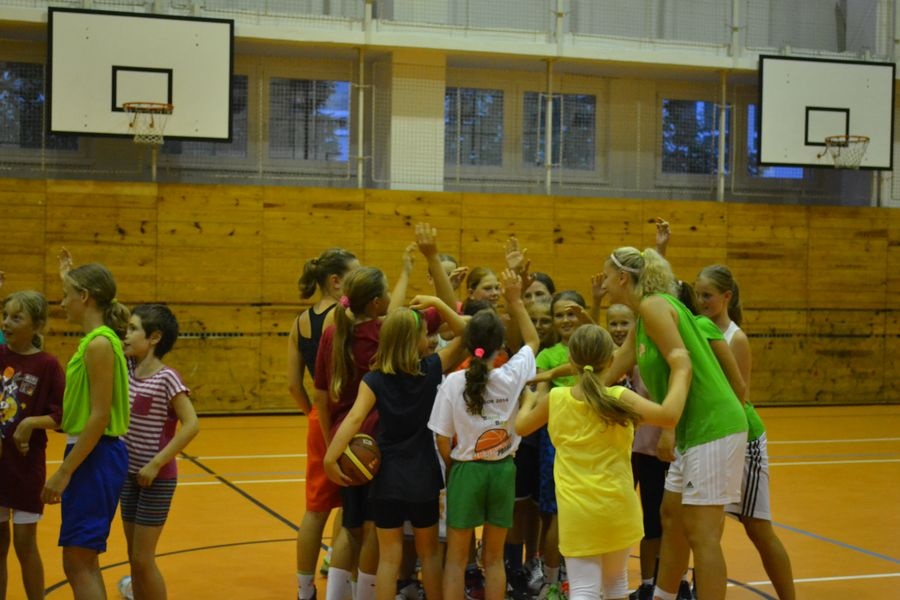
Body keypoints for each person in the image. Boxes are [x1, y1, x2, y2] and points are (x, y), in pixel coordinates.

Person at [599, 247, 747, 600]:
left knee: (701, 532)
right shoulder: (644, 316)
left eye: (606, 276)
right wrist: (580, 395)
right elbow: (616, 364)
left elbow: (681, 362)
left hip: (712, 425)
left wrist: (668, 421)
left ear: (623, 278)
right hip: (691, 432)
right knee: (672, 517)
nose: (603, 284)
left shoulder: (654, 306)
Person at [515, 324, 689, 600]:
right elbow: (669, 416)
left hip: (577, 512)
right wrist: (681, 370)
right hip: (618, 507)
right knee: (616, 585)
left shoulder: (556, 399)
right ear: (610, 360)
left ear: (571, 360)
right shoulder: (619, 398)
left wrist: (529, 399)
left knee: (584, 589)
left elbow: (521, 426)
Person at [324, 297, 467, 600]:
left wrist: (330, 458)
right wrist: (438, 303)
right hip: (422, 475)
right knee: (429, 554)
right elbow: (467, 335)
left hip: (386, 477)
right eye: (424, 333)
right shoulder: (431, 369)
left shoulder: (374, 379)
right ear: (414, 340)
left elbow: (354, 419)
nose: (428, 338)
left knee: (389, 558)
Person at [428, 270, 539, 600]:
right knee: (494, 559)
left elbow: (441, 438)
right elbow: (532, 341)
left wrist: (454, 466)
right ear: (500, 344)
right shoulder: (512, 375)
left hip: (466, 470)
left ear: (467, 343)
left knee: (456, 559)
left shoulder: (453, 382)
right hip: (503, 471)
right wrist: (516, 300)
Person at [695, 265, 795, 600]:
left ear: (726, 297)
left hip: (741, 437)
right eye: (698, 294)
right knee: (708, 527)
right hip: (711, 437)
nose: (701, 301)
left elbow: (739, 396)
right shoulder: (698, 329)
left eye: (707, 295)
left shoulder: (735, 339)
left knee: (758, 528)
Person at [45, 251, 130, 599]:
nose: (62, 302)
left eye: (66, 294)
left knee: (78, 563)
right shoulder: (96, 340)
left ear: (85, 297)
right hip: (92, 454)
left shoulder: (99, 345)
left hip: (95, 456)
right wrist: (67, 273)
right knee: (84, 561)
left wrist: (63, 472)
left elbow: (99, 416)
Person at [289, 248, 359, 600]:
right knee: (350, 503)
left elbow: (292, 384)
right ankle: (342, 580)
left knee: (315, 510)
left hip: (320, 418)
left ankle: (305, 591)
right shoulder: (345, 316)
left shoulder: (300, 321)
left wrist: (313, 414)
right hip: (346, 414)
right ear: (336, 281)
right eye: (355, 275)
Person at [116, 304, 200, 600]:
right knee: (133, 557)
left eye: (133, 329)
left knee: (142, 559)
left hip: (156, 479)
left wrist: (156, 463)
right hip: (128, 475)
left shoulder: (167, 378)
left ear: (154, 338)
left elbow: (192, 424)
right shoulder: (127, 367)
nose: (126, 335)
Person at [0, 291, 65, 600]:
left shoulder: (48, 365)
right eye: (5, 316)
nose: (6, 322)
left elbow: (62, 416)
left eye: (16, 317)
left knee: (25, 544)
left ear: (37, 325)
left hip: (26, 468)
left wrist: (30, 423)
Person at [532, 290, 589, 599]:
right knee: (557, 512)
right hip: (557, 440)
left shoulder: (593, 349)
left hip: (590, 439)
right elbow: (540, 396)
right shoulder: (547, 356)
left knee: (582, 511)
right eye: (560, 315)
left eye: (572, 314)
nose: (566, 320)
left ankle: (574, 575)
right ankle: (551, 580)